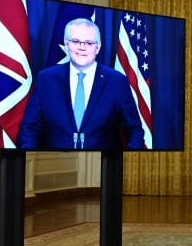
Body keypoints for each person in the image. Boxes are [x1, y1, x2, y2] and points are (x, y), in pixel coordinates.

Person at [17, 18, 144, 150]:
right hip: (52, 164)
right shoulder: (46, 78)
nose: (82, 47)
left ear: (98, 47)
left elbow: (135, 131)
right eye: (75, 41)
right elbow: (29, 128)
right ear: (66, 44)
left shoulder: (117, 82)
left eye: (89, 43)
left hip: (100, 165)